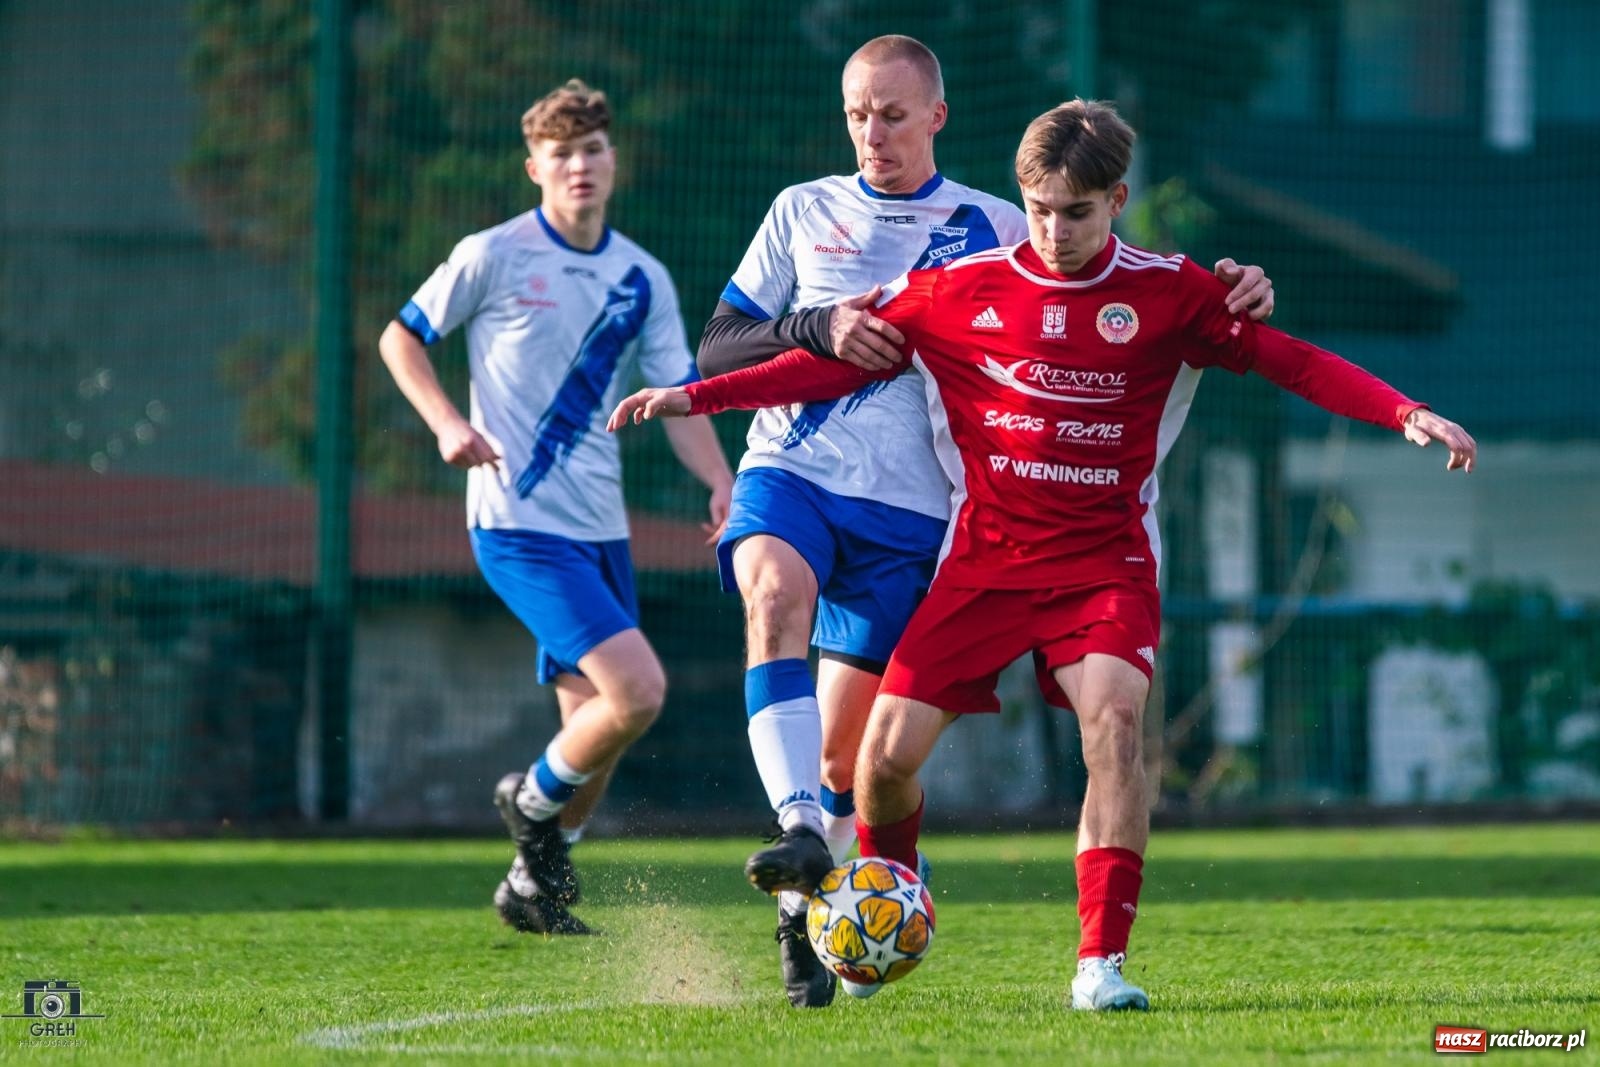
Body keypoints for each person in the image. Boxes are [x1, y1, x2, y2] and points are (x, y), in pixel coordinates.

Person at [609, 97, 1477, 1008]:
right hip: (983, 562)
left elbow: (1291, 360)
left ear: (1118, 201)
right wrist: (696, 397)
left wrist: (1404, 411)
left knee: (1113, 724)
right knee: (881, 765)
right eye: (1040, 210)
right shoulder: (958, 289)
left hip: (1104, 567)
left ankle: (1099, 965)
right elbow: (837, 364)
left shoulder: (1172, 290)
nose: (1056, 232)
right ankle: (882, 898)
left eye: (1078, 212)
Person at [694, 35, 1276, 1008]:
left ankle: (805, 905)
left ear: (936, 119)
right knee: (772, 595)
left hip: (915, 514)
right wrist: (815, 324)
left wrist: (1231, 295)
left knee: (851, 758)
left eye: (889, 114)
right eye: (854, 114)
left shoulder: (1004, 224)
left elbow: (1112, 290)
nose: (869, 133)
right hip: (792, 470)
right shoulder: (801, 210)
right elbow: (719, 345)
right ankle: (798, 831)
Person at [378, 79, 733, 936]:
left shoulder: (640, 276)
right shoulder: (493, 253)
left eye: (594, 149)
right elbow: (400, 336)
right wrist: (447, 425)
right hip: (517, 525)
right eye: (563, 152)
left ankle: (529, 884)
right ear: (534, 165)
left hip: (601, 530)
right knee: (640, 691)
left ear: (615, 162)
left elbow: (674, 397)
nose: (581, 165)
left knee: (596, 731)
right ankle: (528, 803)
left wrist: (723, 482)